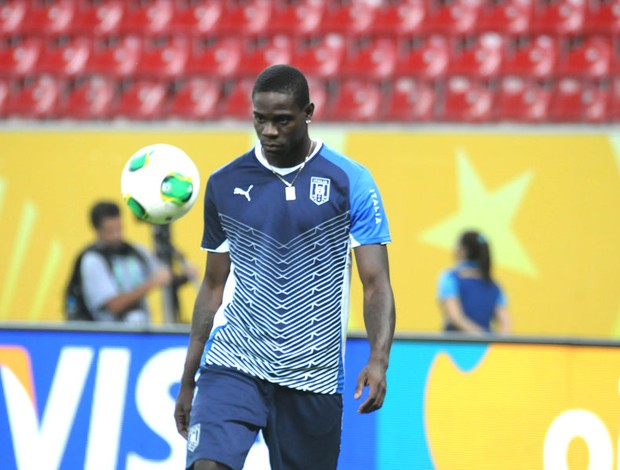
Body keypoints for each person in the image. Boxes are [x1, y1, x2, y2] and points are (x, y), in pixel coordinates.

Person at [174, 64, 396, 470]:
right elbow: (211, 287)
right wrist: (189, 376)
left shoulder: (351, 181)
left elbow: (375, 284)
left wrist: (379, 359)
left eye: (282, 120)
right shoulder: (224, 184)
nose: (269, 131)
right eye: (260, 119)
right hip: (235, 360)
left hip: (314, 373)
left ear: (308, 113)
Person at [79, 200, 173, 324]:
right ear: (98, 230)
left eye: (119, 229)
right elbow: (113, 306)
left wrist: (183, 275)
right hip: (110, 336)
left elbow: (163, 276)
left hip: (142, 330)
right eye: (110, 231)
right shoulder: (93, 261)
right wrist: (150, 284)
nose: (117, 236)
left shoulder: (137, 252)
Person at [437, 230, 511, 334]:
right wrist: (489, 341)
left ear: (462, 251)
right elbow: (505, 325)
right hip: (485, 348)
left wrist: (478, 337)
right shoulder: (494, 285)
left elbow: (455, 317)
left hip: (454, 347)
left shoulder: (450, 278)